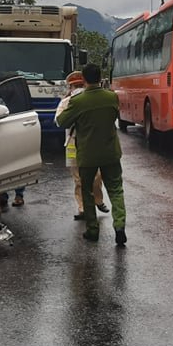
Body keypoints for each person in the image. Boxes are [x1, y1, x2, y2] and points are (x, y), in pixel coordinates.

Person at [55, 63, 127, 246]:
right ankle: (119, 226)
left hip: (87, 154)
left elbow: (62, 122)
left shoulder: (78, 101)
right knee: (116, 190)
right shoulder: (111, 97)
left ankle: (93, 230)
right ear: (100, 77)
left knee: (86, 191)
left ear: (84, 79)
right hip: (111, 152)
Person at [56, 70, 109, 220]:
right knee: (78, 178)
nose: (78, 89)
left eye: (80, 85)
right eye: (76, 86)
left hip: (91, 141)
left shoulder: (91, 100)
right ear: (71, 87)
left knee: (96, 176)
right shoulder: (65, 102)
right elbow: (59, 121)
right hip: (72, 143)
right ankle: (82, 208)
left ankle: (98, 200)